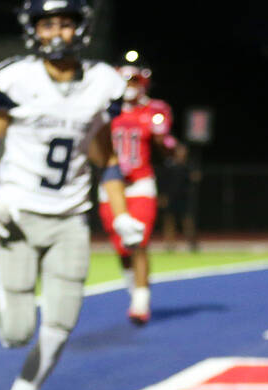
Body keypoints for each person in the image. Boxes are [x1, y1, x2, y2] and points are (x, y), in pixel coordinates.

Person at [0, 0, 146, 390]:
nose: (56, 32)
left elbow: (104, 158)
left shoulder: (101, 82)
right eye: (47, 23)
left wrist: (121, 212)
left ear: (79, 31)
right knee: (15, 334)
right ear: (34, 29)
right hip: (21, 212)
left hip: (71, 214)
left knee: (61, 324)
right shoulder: (15, 79)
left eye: (65, 24)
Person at [97, 53, 178, 325]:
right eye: (124, 79)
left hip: (141, 182)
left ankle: (140, 301)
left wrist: (165, 142)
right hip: (111, 185)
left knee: (138, 242)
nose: (129, 84)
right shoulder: (102, 108)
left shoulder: (155, 109)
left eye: (133, 79)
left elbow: (165, 147)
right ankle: (134, 288)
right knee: (122, 248)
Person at [157, 142, 199, 252]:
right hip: (171, 197)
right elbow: (163, 181)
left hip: (185, 197)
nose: (181, 153)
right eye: (179, 150)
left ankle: (192, 244)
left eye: (183, 151)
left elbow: (195, 179)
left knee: (188, 220)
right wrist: (162, 196)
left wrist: (195, 177)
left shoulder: (189, 165)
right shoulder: (169, 164)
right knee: (169, 220)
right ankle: (170, 244)